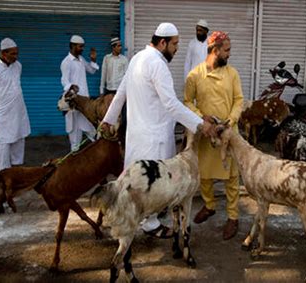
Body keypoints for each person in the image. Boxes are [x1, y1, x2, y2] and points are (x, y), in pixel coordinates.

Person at [100, 22, 215, 238]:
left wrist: (108, 119)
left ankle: (132, 216)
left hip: (137, 134)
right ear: (162, 42)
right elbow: (171, 104)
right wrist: (200, 124)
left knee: (136, 182)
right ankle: (149, 223)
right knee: (153, 184)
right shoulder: (158, 65)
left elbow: (120, 94)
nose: (177, 48)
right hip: (155, 136)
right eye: (174, 44)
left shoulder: (137, 58)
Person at [184, 31, 244, 240]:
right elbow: (187, 102)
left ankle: (233, 217)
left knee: (232, 177)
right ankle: (209, 205)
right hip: (206, 133)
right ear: (215, 50)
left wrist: (231, 120)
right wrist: (201, 118)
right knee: (205, 173)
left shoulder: (233, 74)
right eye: (226, 50)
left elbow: (238, 100)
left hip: (228, 133)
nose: (229, 54)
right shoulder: (195, 75)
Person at [0, 38, 31, 171]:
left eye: (17, 53)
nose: (16, 57)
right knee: (3, 141)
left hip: (18, 109)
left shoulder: (18, 66)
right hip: (2, 112)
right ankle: (4, 171)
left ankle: (17, 168)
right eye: (12, 54)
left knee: (19, 137)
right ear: (3, 53)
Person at [60, 35, 99, 151]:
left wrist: (93, 60)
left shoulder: (81, 60)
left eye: (83, 46)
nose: (82, 49)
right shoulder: (66, 62)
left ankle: (96, 149)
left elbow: (91, 70)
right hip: (74, 100)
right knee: (74, 128)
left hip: (84, 100)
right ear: (73, 46)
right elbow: (64, 80)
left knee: (90, 126)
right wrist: (70, 87)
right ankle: (74, 152)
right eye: (80, 46)